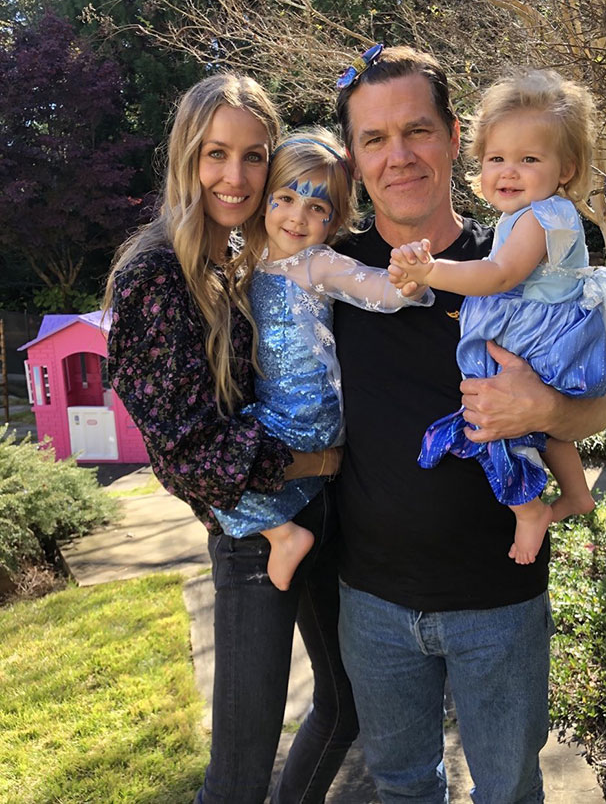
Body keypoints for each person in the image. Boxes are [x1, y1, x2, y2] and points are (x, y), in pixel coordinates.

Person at [332, 46, 606, 803]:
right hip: (372, 601)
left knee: (510, 790)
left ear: (455, 137)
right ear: (355, 159)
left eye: (417, 130)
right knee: (400, 786)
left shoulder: (518, 260)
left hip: (501, 600)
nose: (399, 156)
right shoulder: (332, 275)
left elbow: (600, 406)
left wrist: (545, 408)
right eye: (373, 139)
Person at [104, 73, 358, 804]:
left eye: (254, 156)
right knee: (238, 772)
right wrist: (319, 458)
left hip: (316, 508)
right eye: (216, 154)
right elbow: (183, 450)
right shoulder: (156, 274)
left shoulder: (248, 259)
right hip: (253, 533)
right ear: (187, 156)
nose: (236, 176)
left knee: (346, 704)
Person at [388, 69, 606, 565]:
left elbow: (500, 275)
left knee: (495, 416)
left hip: (537, 338)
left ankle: (527, 509)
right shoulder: (524, 215)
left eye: (529, 159)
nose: (509, 171)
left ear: (566, 168)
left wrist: (430, 271)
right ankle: (574, 493)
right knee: (538, 428)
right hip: (546, 335)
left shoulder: (542, 215)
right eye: (497, 159)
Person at [211, 127, 432, 591]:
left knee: (224, 465)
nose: (297, 217)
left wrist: (407, 283)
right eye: (286, 198)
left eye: (316, 208)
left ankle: (284, 535)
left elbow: (374, 287)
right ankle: (283, 527)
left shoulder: (317, 263)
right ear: (266, 200)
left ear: (332, 221)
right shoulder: (250, 265)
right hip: (278, 409)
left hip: (310, 411)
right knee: (212, 464)